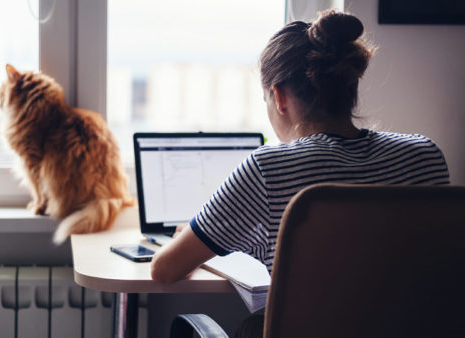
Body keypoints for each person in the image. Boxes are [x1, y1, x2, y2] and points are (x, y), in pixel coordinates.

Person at [151, 10, 450, 285]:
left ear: (279, 97)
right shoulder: (424, 155)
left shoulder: (268, 169)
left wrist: (199, 238)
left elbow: (164, 270)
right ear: (350, 85)